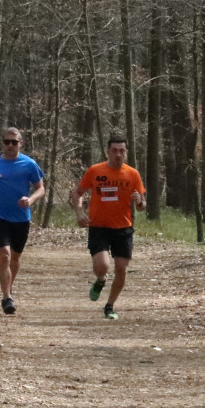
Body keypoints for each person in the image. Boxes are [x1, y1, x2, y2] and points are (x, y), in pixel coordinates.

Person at [69, 135, 146, 320]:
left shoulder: (132, 174)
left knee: (122, 269)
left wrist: (139, 202)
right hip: (99, 226)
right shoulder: (95, 171)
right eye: (114, 151)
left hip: (123, 228)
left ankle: (110, 305)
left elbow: (142, 205)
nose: (118, 154)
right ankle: (100, 280)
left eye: (122, 151)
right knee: (102, 266)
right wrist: (80, 214)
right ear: (107, 152)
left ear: (126, 153)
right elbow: (77, 193)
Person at [0, 127, 45, 315]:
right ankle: (6, 296)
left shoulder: (29, 164)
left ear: (20, 143)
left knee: (15, 257)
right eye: (7, 141)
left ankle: (9, 287)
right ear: (2, 143)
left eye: (14, 142)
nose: (10, 145)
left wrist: (30, 200)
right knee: (4, 255)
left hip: (21, 217)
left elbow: (41, 188)